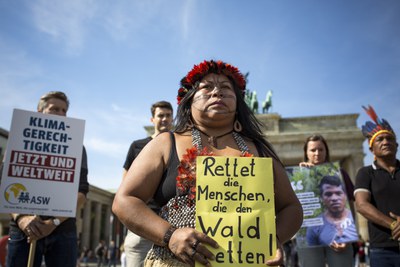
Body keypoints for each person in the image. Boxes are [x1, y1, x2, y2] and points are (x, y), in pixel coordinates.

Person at [112, 59, 303, 266]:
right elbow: (125, 200)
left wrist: (271, 240)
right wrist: (170, 236)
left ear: (238, 101)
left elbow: (291, 207)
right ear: (189, 99)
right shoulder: (166, 143)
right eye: (207, 87)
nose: (216, 93)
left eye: (225, 88)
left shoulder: (259, 149)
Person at [5, 91, 89, 267]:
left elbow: (81, 192)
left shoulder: (77, 147)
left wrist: (53, 222)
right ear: (39, 111)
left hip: (63, 231)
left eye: (64, 110)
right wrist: (21, 218)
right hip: (24, 230)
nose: (60, 114)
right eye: (54, 109)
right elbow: (4, 184)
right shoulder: (18, 139)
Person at [122, 101, 173, 267]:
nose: (164, 119)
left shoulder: (179, 146)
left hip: (173, 225)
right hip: (143, 223)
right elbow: (125, 185)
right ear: (152, 119)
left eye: (168, 115)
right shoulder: (137, 146)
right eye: (160, 115)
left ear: (173, 118)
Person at [297, 134, 355, 267]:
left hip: (338, 234)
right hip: (309, 235)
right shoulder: (297, 175)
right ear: (306, 153)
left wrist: (348, 235)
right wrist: (302, 175)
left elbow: (350, 205)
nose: (317, 153)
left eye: (321, 149)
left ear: (326, 151)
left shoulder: (340, 173)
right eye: (312, 150)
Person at [354, 105, 400, 267]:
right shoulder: (365, 173)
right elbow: (361, 205)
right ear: (371, 147)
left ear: (397, 145)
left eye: (390, 139)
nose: (386, 142)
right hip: (382, 250)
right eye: (380, 139)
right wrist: (394, 225)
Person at [306, 175, 358, 246]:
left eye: (338, 193)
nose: (334, 198)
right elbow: (313, 253)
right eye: (328, 194)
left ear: (345, 195)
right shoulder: (314, 226)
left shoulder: (357, 218)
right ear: (322, 198)